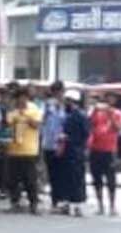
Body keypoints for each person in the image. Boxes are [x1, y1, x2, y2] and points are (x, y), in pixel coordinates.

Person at [5, 86, 43, 214]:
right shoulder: (13, 111)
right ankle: (14, 202)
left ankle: (33, 204)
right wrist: (15, 117)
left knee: (30, 179)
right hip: (14, 149)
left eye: (24, 97)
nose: (21, 100)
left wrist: (25, 116)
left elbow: (37, 125)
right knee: (13, 179)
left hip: (29, 149)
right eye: (19, 98)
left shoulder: (34, 109)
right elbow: (7, 125)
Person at [88, 93, 121, 216]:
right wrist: (94, 109)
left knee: (111, 180)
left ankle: (112, 206)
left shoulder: (118, 113)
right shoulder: (97, 112)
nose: (109, 100)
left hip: (109, 150)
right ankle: (100, 206)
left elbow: (118, 128)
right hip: (95, 149)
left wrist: (110, 114)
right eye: (108, 98)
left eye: (112, 98)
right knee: (96, 179)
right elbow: (90, 124)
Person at [60, 90, 91, 217]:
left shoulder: (80, 116)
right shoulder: (69, 115)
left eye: (67, 101)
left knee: (77, 178)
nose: (65, 103)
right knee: (67, 177)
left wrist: (70, 138)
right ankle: (67, 203)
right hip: (68, 150)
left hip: (76, 151)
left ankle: (78, 205)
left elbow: (85, 134)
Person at [40, 81, 68, 213]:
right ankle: (55, 201)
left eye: (61, 92)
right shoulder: (46, 105)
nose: (60, 94)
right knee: (52, 173)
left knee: (63, 173)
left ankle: (63, 200)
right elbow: (41, 120)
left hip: (63, 144)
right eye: (57, 92)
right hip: (49, 144)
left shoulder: (67, 106)